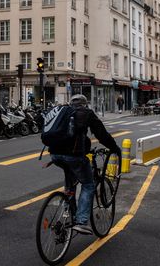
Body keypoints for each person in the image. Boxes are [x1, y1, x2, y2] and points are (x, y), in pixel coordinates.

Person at [49, 94, 121, 235]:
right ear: (85, 104)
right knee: (88, 185)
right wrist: (114, 148)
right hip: (73, 156)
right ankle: (81, 221)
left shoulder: (63, 112)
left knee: (70, 183)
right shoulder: (86, 113)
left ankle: (68, 210)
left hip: (55, 154)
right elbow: (102, 135)